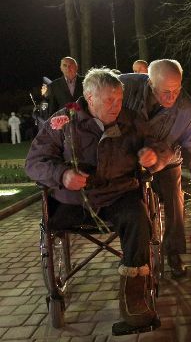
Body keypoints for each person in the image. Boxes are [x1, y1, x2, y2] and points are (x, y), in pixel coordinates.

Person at [25, 68, 170, 333]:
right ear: (89, 99)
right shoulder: (63, 121)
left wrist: (153, 157)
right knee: (56, 219)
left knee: (138, 216)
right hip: (74, 200)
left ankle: (134, 299)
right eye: (108, 101)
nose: (116, 106)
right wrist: (62, 174)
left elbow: (162, 147)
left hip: (118, 194)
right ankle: (58, 292)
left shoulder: (132, 120)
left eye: (118, 100)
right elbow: (34, 163)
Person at [120, 59, 191, 278]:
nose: (171, 97)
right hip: (127, 156)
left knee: (175, 199)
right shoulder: (125, 87)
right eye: (165, 91)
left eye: (177, 90)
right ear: (150, 83)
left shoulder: (188, 112)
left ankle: (174, 252)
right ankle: (134, 252)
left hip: (168, 158)